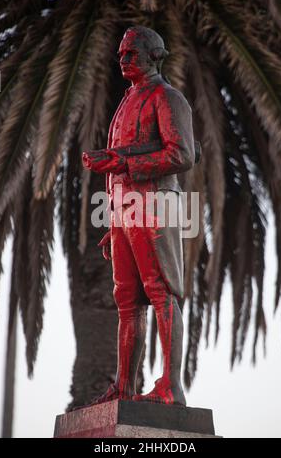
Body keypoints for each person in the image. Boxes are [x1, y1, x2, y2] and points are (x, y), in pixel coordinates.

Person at [82, 25, 196, 406]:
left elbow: (182, 155)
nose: (122, 59)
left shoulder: (168, 97)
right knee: (127, 300)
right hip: (123, 213)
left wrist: (121, 161)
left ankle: (170, 386)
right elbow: (121, 167)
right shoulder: (127, 100)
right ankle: (124, 387)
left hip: (155, 205)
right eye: (120, 54)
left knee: (161, 292)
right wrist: (112, 219)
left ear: (154, 55)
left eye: (130, 53)